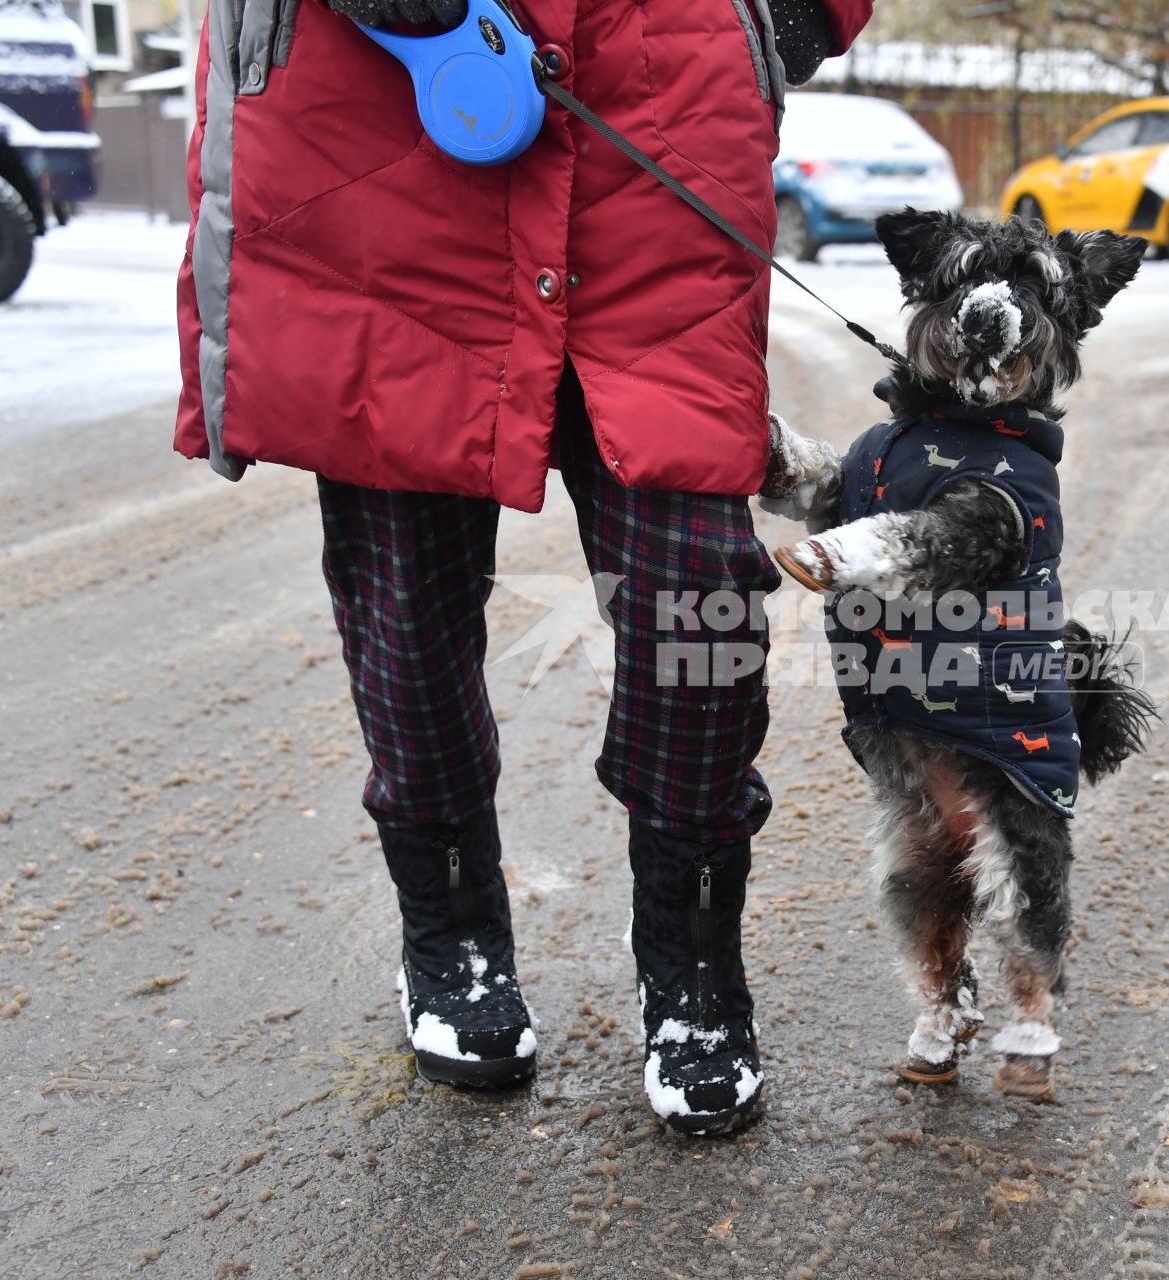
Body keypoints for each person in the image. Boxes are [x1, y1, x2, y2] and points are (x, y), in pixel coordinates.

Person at [172, 0, 872, 1135]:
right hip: (387, 116)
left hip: (657, 110)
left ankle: (692, 964)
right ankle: (451, 932)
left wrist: (788, 12)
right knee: (407, 596)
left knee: (701, 599)